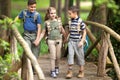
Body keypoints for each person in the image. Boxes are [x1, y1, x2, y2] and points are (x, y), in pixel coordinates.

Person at [35, 7, 66, 78]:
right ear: (48, 14)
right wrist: (38, 40)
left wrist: (66, 37)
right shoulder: (46, 23)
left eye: (54, 13)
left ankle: (56, 67)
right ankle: (52, 71)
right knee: (53, 57)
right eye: (51, 13)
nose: (53, 15)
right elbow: (43, 33)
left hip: (59, 40)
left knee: (58, 56)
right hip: (51, 41)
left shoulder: (58, 21)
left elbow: (62, 30)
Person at [13, 0, 42, 74]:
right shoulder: (24, 12)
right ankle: (27, 68)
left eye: (34, 7)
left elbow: (39, 27)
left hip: (35, 35)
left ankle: (33, 68)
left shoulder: (37, 15)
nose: (33, 8)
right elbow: (18, 17)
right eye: (31, 7)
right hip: (26, 35)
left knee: (35, 53)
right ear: (28, 6)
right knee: (27, 51)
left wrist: (38, 39)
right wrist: (13, 22)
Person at [65, 6, 86, 79]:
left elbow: (84, 32)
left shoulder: (80, 21)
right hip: (71, 41)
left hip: (78, 41)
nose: (69, 15)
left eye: (70, 14)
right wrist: (65, 38)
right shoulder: (70, 21)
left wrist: (82, 41)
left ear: (75, 13)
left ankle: (81, 70)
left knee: (80, 56)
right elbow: (68, 31)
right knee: (70, 55)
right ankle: (70, 71)